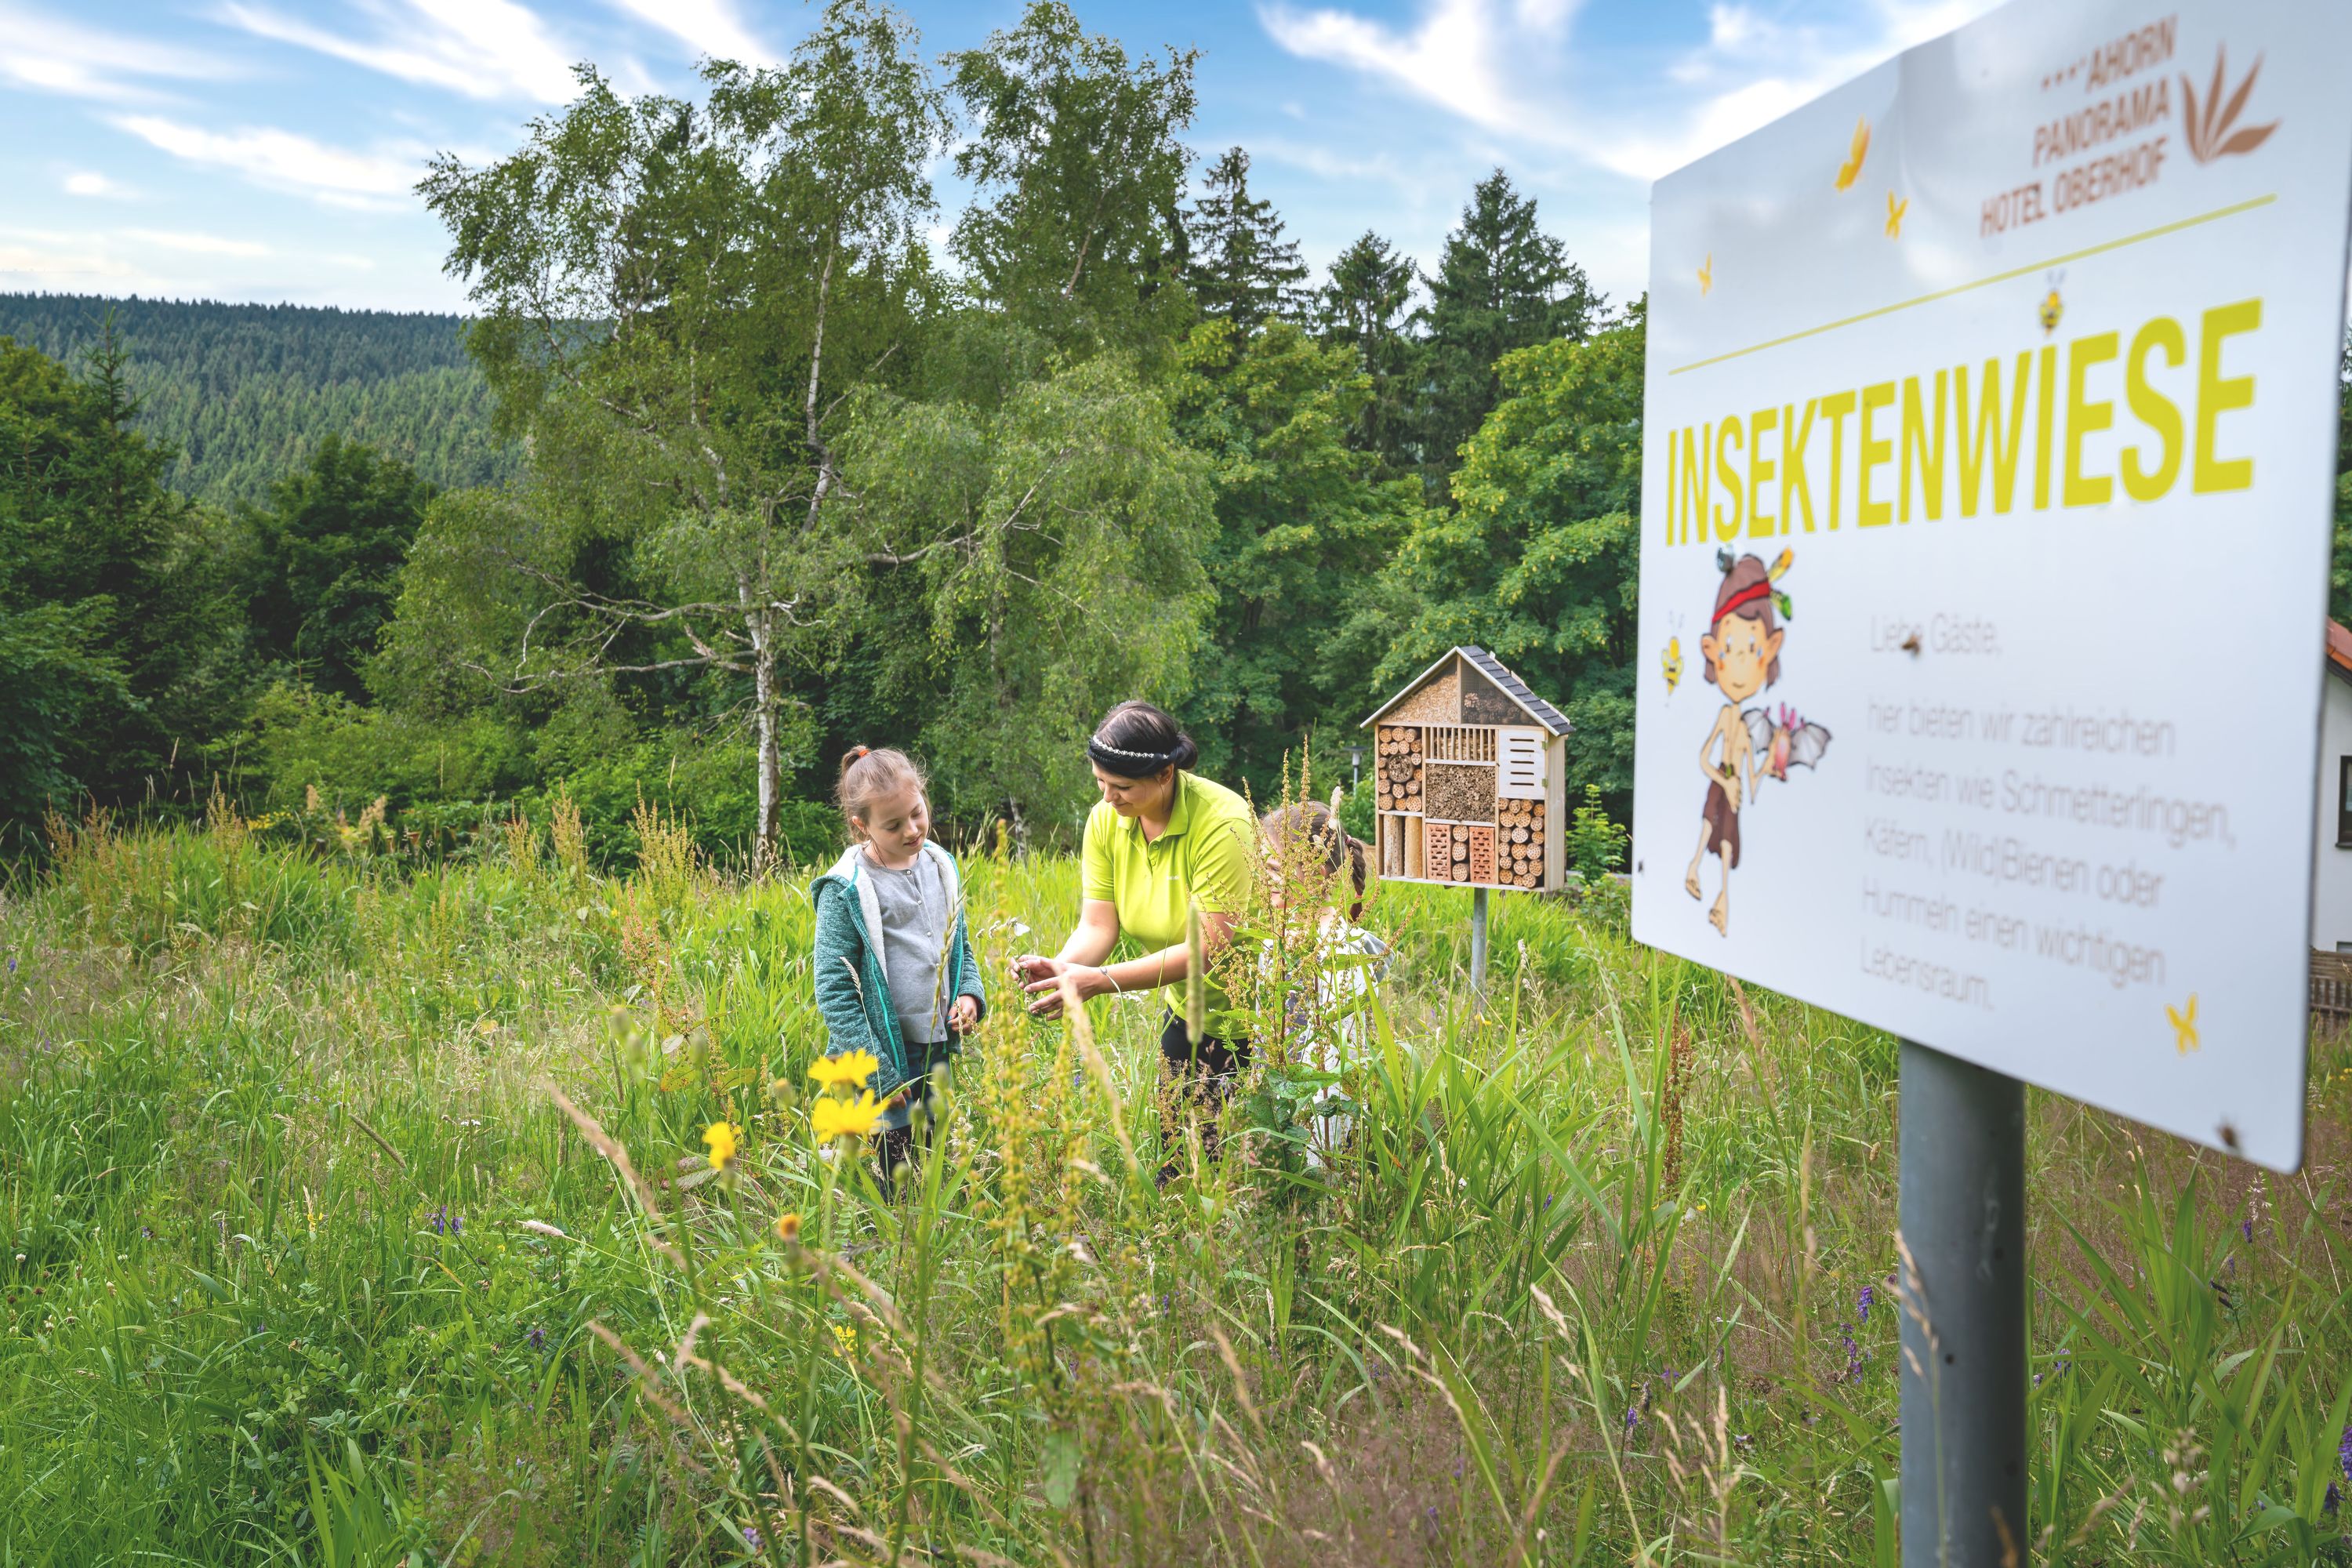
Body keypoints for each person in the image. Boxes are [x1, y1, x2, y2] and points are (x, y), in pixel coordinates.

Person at [1012, 702, 1255, 1183]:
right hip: (1190, 1008)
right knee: (1178, 1169)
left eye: (1121, 787)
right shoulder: (1107, 821)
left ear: (1165, 774)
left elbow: (1210, 948)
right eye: (1100, 782)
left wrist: (1100, 981)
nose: (1108, 798)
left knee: (1250, 1172)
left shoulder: (1223, 821)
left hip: (1267, 1017)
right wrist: (1060, 968)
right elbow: (1099, 926)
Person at [811, 746, 985, 1188]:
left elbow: (959, 945)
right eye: (892, 825)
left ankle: (936, 1214)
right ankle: (887, 1221)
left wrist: (969, 994)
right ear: (861, 826)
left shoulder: (940, 865)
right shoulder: (847, 887)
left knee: (934, 1140)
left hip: (936, 1040)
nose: (912, 830)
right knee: (894, 1154)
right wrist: (878, 1072)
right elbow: (834, 989)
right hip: (882, 1050)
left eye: (917, 813)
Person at [1258, 799, 1385, 1171]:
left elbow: (1342, 1063)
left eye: (1274, 869)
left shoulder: (1347, 953)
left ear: (1316, 873)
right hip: (1280, 1117)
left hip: (1322, 1129)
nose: (1264, 880)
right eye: (1263, 867)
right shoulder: (1274, 942)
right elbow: (1265, 1039)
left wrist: (1318, 1156)